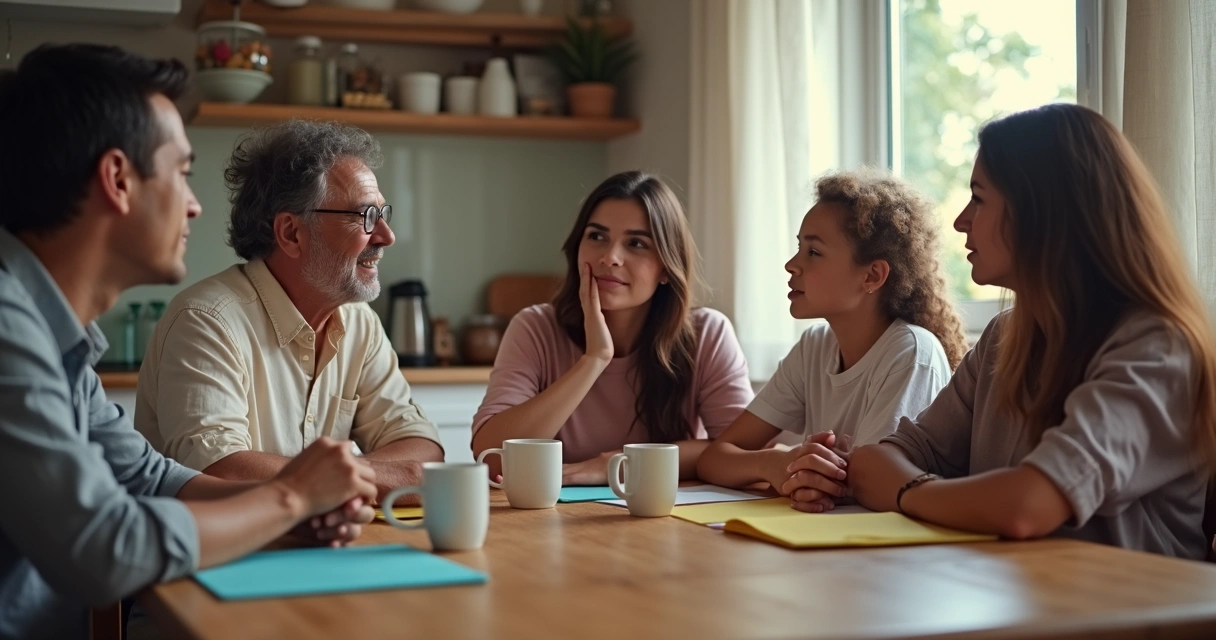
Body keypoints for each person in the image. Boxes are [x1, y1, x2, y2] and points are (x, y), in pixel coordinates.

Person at [0, 44, 377, 640]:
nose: (196, 204)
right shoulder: (6, 328)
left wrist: (292, 513)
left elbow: (147, 477)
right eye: (181, 173)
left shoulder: (51, 335)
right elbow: (104, 548)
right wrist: (290, 499)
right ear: (118, 180)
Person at [848, 103, 1216, 560]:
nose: (962, 221)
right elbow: (891, 455)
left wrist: (906, 492)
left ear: (1045, 213)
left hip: (1126, 619)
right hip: (1020, 601)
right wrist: (882, 475)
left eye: (979, 198)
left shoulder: (1159, 347)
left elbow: (1029, 505)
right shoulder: (1004, 336)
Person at [134, 120, 443, 504]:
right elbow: (219, 471)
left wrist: (349, 479)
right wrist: (373, 477)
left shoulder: (359, 321)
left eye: (384, 215)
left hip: (323, 546)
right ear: (292, 233)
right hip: (218, 556)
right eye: (365, 216)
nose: (386, 236)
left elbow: (421, 453)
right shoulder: (206, 321)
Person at [697, 170, 966, 512]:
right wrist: (775, 465)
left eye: (813, 252)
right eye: (799, 248)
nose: (791, 264)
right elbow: (715, 457)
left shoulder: (911, 351)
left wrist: (806, 474)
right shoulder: (815, 346)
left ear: (872, 276)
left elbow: (873, 482)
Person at [471, 171, 753, 484]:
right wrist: (594, 359)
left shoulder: (708, 334)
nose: (610, 257)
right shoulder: (535, 328)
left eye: (636, 243)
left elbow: (743, 452)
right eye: (597, 237)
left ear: (665, 267)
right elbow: (492, 457)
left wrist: (620, 464)